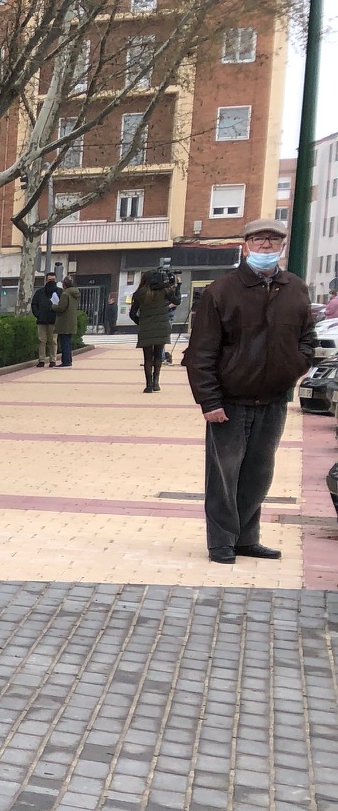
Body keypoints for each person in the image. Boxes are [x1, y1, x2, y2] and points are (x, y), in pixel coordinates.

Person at [187, 217, 317, 565]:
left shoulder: (295, 288)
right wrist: (209, 400)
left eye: (273, 240)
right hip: (230, 401)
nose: (266, 245)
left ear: (282, 246)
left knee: (259, 474)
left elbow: (307, 337)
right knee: (224, 476)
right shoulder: (221, 290)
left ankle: (246, 538)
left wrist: (295, 365)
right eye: (259, 239)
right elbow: (201, 352)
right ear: (245, 246)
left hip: (272, 400)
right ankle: (221, 542)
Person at [130, 267, 175, 393]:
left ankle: (148, 385)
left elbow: (132, 314)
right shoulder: (164, 291)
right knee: (158, 356)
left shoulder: (140, 293)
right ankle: (156, 383)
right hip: (162, 327)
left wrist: (141, 323)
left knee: (147, 358)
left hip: (146, 328)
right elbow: (177, 300)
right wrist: (176, 286)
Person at [29, 272, 62, 366]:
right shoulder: (39, 292)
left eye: (53, 280)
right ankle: (41, 360)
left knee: (53, 341)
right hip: (41, 320)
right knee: (41, 340)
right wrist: (38, 315)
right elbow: (34, 304)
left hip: (54, 320)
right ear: (46, 280)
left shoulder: (60, 292)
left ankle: (53, 360)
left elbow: (63, 305)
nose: (51, 281)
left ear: (56, 280)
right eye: (49, 280)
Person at [56, 271, 81, 367]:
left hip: (64, 320)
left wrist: (53, 306)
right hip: (72, 319)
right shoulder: (76, 293)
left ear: (64, 284)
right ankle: (68, 360)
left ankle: (66, 361)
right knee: (68, 341)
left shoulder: (65, 294)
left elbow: (61, 307)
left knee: (64, 342)